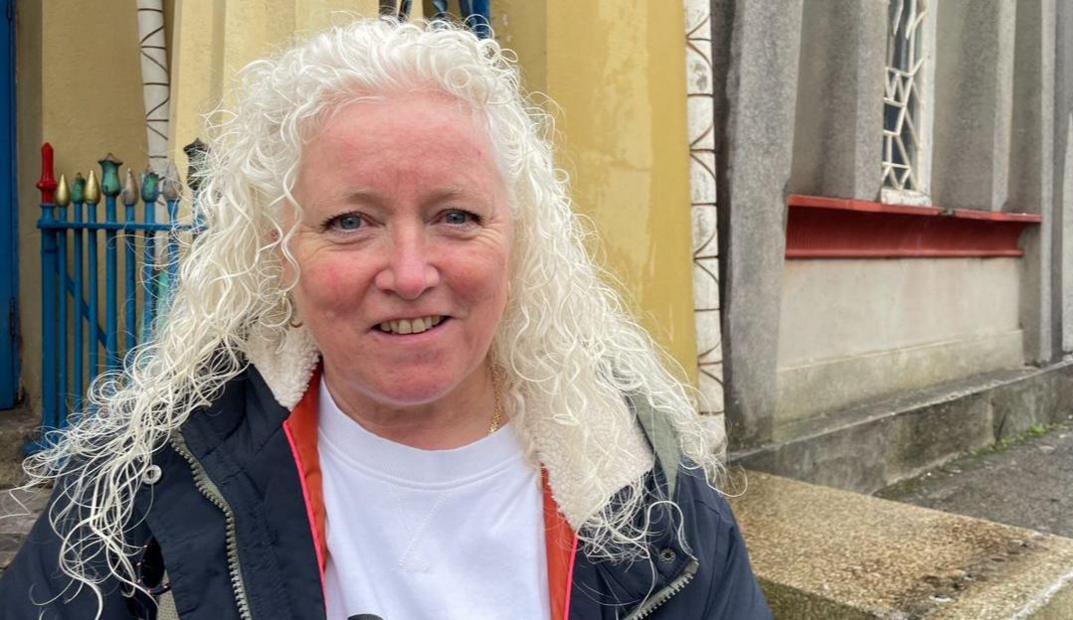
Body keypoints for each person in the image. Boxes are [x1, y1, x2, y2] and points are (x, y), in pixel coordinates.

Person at [0, 18, 770, 620]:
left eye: (457, 216)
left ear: (520, 240)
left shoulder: (651, 497)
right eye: (349, 223)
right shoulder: (144, 480)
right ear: (277, 250)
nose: (408, 273)